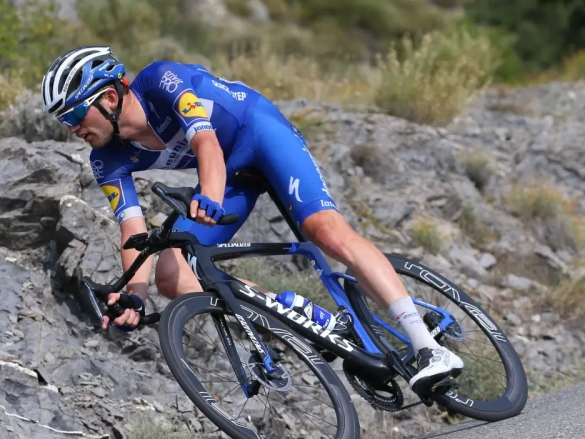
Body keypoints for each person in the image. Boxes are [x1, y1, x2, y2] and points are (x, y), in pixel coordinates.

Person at [40, 45, 463, 394]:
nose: (72, 129)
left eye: (75, 116)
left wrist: (209, 193)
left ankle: (428, 347)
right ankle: (299, 313)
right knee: (171, 272)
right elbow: (132, 231)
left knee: (325, 232)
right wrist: (135, 295)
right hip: (232, 172)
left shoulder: (161, 80)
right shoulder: (105, 159)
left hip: (259, 135)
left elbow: (204, 140)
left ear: (110, 97)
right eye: (64, 121)